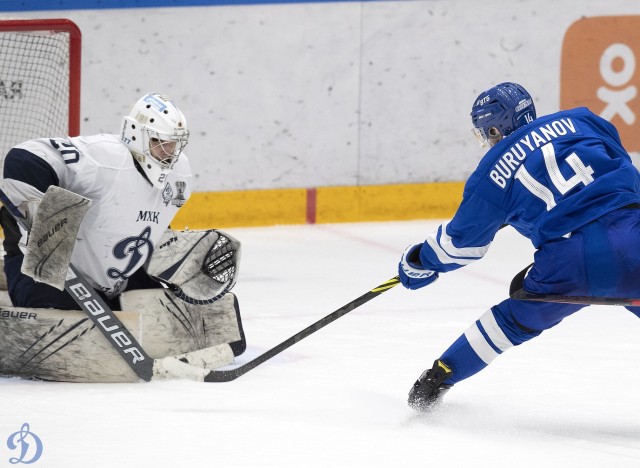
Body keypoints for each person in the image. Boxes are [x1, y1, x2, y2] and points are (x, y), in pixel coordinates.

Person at [398, 82, 640, 411]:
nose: (488, 140)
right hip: (632, 235)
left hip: (568, 263)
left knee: (511, 322)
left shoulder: (491, 173)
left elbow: (459, 247)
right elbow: (622, 169)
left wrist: (419, 261)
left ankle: (441, 376)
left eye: (487, 132)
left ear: (496, 127)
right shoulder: (584, 120)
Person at [0, 92, 192, 309]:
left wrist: (177, 263)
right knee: (58, 310)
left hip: (117, 277)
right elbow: (24, 158)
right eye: (159, 142)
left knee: (178, 314)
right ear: (136, 134)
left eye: (174, 144)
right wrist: (50, 234)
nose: (168, 153)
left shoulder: (180, 174)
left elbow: (153, 224)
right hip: (44, 272)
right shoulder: (103, 157)